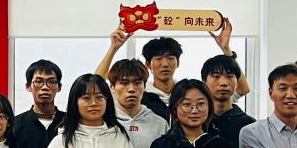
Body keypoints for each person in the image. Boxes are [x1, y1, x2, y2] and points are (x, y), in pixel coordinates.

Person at [97, 19, 250, 121]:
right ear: (148, 64)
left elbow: (242, 88)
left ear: (178, 63)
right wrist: (113, 48)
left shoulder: (189, 92)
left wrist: (226, 50)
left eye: (170, 58)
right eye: (158, 59)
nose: (165, 64)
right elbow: (96, 84)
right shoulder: (139, 93)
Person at [43, 75, 136, 148]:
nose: (94, 103)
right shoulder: (61, 142)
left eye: (99, 97)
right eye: (86, 98)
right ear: (75, 102)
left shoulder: (120, 139)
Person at [146, 79, 237, 148]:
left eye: (200, 104)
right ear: (174, 108)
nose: (194, 111)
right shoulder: (161, 146)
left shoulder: (223, 147)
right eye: (186, 104)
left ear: (209, 106)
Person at [103, 57, 167, 148]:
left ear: (145, 86)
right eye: (124, 83)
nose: (131, 89)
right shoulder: (103, 121)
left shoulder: (160, 124)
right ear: (112, 87)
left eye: (137, 83)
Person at [202, 54, 256, 148]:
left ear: (237, 83)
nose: (223, 83)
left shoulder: (250, 125)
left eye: (230, 76)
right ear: (204, 82)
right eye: (216, 76)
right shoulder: (196, 122)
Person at [12, 60, 65, 148]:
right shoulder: (16, 124)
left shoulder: (69, 121)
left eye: (51, 82)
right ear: (28, 86)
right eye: (38, 81)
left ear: (59, 87)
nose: (45, 87)